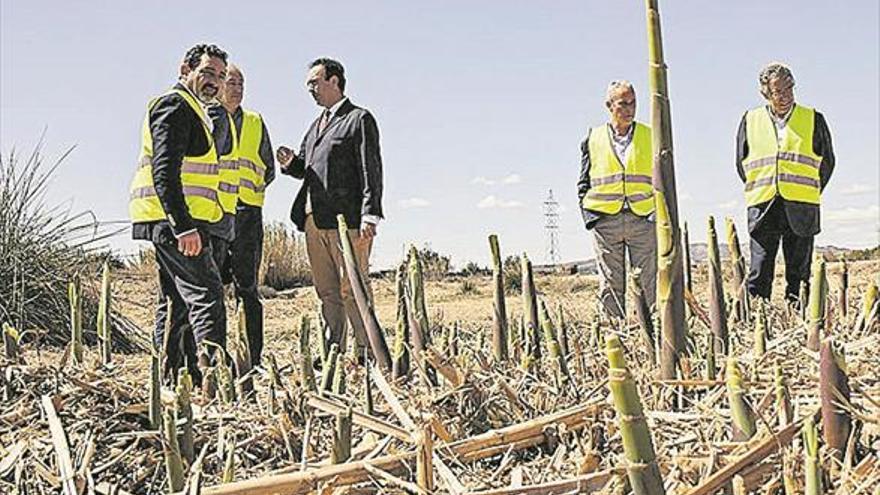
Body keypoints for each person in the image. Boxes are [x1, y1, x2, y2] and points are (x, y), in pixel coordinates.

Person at [129, 44, 229, 385]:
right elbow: (164, 171)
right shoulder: (174, 105)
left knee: (175, 302)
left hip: (175, 221)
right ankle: (215, 383)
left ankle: (169, 381)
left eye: (219, 76)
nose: (214, 82)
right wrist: (183, 226)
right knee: (207, 295)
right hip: (174, 223)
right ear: (185, 68)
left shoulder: (194, 109)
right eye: (207, 73)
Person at [276, 57, 384, 358]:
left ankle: (365, 352)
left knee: (353, 288)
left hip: (346, 220)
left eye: (315, 82)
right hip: (313, 220)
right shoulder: (316, 126)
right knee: (327, 291)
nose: (310, 88)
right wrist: (290, 164)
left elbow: (370, 167)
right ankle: (334, 354)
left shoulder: (358, 119)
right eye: (308, 84)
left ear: (334, 81)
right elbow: (307, 169)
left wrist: (370, 213)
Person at [736, 62, 835, 303]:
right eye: (779, 91)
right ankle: (758, 325)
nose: (786, 96)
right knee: (759, 273)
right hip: (763, 206)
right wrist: (763, 184)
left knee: (799, 276)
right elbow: (741, 163)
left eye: (789, 89)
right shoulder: (750, 120)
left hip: (801, 207)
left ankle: (799, 322)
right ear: (765, 93)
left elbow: (828, 163)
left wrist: (808, 188)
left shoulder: (814, 119)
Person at [577, 80, 656, 320]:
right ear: (609, 106)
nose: (630, 109)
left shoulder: (651, 135)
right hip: (605, 222)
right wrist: (591, 218)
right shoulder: (593, 138)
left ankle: (651, 333)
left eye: (633, 103)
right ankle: (614, 338)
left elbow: (664, 178)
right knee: (610, 284)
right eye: (623, 104)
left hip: (642, 219)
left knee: (648, 283)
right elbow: (583, 181)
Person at [220, 64, 276, 367]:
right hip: (215, 213)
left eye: (241, 83)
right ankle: (212, 357)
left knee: (247, 288)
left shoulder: (255, 121)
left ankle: (251, 358)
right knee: (211, 288)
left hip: (248, 214)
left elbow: (268, 167)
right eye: (232, 82)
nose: (237, 88)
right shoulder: (206, 118)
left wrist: (249, 190)